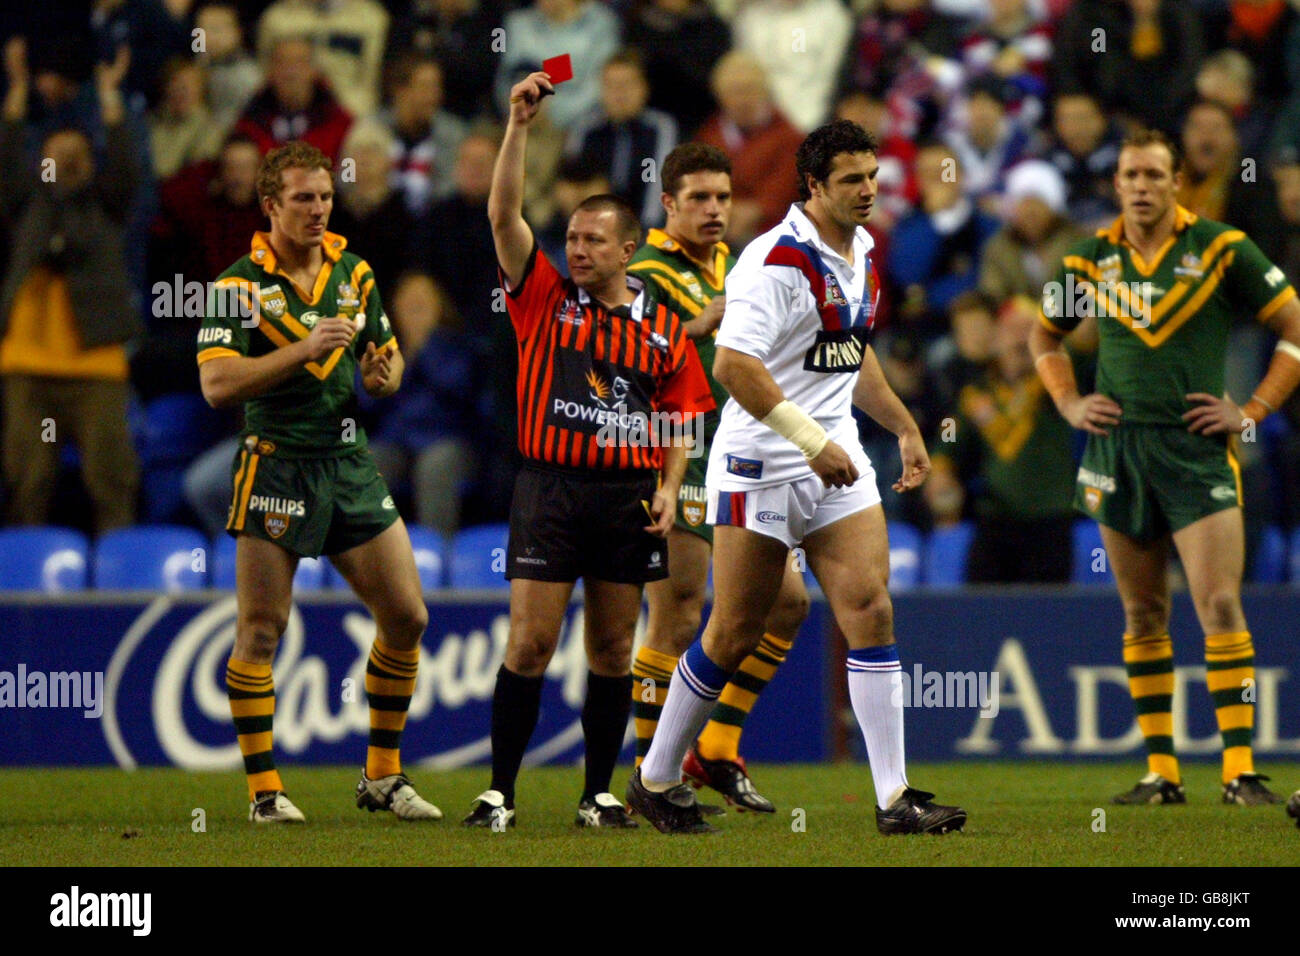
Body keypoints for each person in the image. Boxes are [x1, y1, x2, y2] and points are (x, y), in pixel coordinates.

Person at [627, 120, 967, 836]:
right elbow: (733, 366)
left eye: (873, 176)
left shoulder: (863, 249)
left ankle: (893, 797)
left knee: (870, 608)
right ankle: (655, 777)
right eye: (852, 179)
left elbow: (852, 352)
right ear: (813, 186)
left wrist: (903, 427)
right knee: (733, 629)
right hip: (762, 463)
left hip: (835, 458)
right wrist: (810, 441)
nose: (869, 190)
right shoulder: (774, 260)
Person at [463, 70, 714, 829]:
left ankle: (598, 793)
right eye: (569, 238)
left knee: (611, 647)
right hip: (549, 489)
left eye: (590, 240)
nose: (574, 249)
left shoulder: (664, 327)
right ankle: (499, 792)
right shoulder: (541, 297)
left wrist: (671, 487)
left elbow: (682, 416)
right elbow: (504, 210)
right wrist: (520, 127)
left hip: (627, 498)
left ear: (627, 249)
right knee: (532, 641)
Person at [1029, 128, 1300, 807]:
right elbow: (1044, 335)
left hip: (1195, 448)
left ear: (1177, 182)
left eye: (1154, 175)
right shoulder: (1089, 259)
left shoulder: (1220, 247)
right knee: (1143, 610)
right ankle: (1163, 773)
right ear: (1115, 184)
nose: (1142, 187)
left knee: (1218, 603)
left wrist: (1255, 409)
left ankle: (1239, 771)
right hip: (1118, 451)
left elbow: (1295, 325)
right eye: (1131, 176)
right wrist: (1068, 401)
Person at [196, 140, 441, 824]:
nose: (317, 209)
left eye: (326, 197)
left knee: (408, 616)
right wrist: (302, 349)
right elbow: (216, 384)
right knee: (262, 629)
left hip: (346, 463)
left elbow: (387, 366)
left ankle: (382, 777)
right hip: (275, 462)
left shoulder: (354, 272)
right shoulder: (237, 287)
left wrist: (379, 376)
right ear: (271, 205)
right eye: (303, 198)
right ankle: (266, 793)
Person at [627, 142, 810, 813]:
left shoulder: (742, 264)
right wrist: (697, 324)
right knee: (675, 617)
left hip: (741, 454)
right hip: (672, 452)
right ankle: (656, 776)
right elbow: (623, 364)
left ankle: (719, 746)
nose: (713, 210)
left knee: (788, 604)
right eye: (698, 198)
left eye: (723, 198)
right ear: (668, 203)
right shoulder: (642, 273)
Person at [0, 39, 141, 534]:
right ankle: (21, 586)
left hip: (95, 362)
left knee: (111, 476)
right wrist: (17, 91)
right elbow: (7, 155)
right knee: (26, 477)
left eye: (76, 151)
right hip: (26, 362)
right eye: (55, 151)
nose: (64, 157)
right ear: (41, 158)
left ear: (90, 159)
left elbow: (127, 168)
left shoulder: (106, 204)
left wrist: (109, 97)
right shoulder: (25, 205)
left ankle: (123, 574)